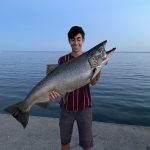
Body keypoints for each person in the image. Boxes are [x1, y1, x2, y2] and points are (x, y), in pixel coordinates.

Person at [49, 26, 100, 150]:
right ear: (69, 41)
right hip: (66, 108)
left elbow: (93, 82)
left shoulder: (90, 58)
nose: (76, 42)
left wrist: (99, 67)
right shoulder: (62, 60)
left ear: (83, 40)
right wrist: (53, 93)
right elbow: (56, 84)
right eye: (73, 40)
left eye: (78, 39)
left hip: (85, 107)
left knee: (88, 144)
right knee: (65, 142)